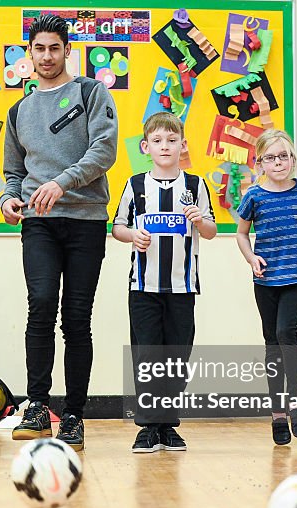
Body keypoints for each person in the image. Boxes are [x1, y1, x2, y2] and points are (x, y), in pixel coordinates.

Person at [0, 13, 118, 451]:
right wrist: (9, 200)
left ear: (67, 50)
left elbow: (103, 150)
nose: (46, 56)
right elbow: (13, 172)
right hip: (39, 224)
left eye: (54, 48)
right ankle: (36, 405)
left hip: (86, 221)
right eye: (39, 49)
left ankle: (73, 415)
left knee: (77, 319)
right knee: (41, 305)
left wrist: (61, 182)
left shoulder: (91, 92)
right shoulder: (18, 111)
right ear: (28, 54)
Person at [111, 112, 217, 453]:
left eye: (172, 140)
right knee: (147, 356)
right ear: (146, 147)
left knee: (175, 356)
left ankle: (168, 425)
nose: (165, 146)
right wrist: (133, 236)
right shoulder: (136, 185)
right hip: (143, 287)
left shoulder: (196, 185)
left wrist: (201, 222)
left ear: (183, 145)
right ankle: (147, 428)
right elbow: (117, 228)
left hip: (183, 287)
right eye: (157, 141)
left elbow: (212, 232)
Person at [235, 129, 297, 446]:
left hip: (295, 276)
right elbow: (243, 234)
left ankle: (296, 401)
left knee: (287, 332)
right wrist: (250, 258)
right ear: (260, 163)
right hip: (266, 279)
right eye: (271, 157)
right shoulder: (254, 197)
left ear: (293, 159)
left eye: (284, 156)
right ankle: (278, 415)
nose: (278, 162)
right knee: (272, 341)